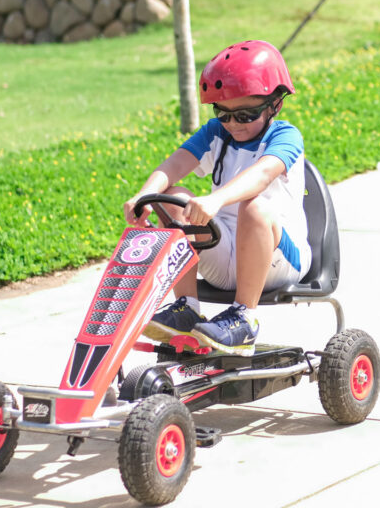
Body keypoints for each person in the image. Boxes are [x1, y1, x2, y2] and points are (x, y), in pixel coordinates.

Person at [124, 40, 311, 355]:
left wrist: (216, 199)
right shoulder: (216, 133)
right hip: (222, 251)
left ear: (275, 104)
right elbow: (176, 163)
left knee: (255, 208)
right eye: (223, 114)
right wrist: (145, 193)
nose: (232, 124)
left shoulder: (285, 137)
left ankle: (244, 318)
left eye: (245, 115)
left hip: (277, 260)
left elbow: (262, 175)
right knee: (170, 198)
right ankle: (187, 307)